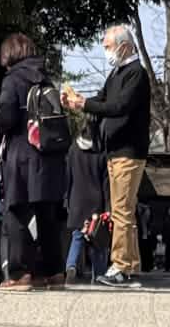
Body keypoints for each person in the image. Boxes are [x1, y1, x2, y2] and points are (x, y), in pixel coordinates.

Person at [65, 24, 153, 286]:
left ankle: (121, 266)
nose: (106, 52)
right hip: (115, 149)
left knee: (121, 210)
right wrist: (78, 101)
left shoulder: (136, 74)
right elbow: (102, 99)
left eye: (108, 47)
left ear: (124, 47)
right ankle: (131, 264)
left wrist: (86, 104)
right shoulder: (117, 73)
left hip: (129, 150)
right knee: (124, 209)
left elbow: (119, 106)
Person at [0, 30, 70, 291]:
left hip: (22, 157)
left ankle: (19, 274)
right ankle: (53, 272)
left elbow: (7, 118)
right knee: (47, 216)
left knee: (16, 212)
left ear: (9, 54)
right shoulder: (45, 78)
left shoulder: (13, 79)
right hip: (49, 157)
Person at [67, 113, 109, 283]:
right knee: (98, 239)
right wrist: (108, 207)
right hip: (96, 201)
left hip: (77, 198)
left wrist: (67, 199)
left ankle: (71, 265)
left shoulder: (73, 149)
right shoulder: (101, 151)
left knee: (77, 235)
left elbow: (68, 176)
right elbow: (106, 182)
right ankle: (99, 274)